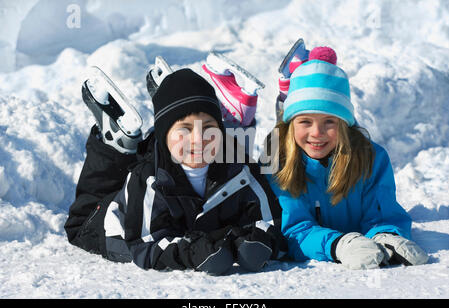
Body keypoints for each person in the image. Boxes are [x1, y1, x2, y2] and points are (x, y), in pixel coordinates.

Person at [64, 68, 286, 275]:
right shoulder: (147, 178)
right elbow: (145, 244)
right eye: (185, 129)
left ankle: (167, 106)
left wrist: (256, 241)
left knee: (177, 149)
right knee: (81, 224)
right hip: (112, 225)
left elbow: (271, 219)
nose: (199, 139)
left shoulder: (241, 168)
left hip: (167, 161)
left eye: (208, 127)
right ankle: (114, 143)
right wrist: (192, 253)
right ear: (165, 135)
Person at [265, 46, 429, 269]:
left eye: (329, 122)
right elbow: (294, 229)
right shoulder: (278, 162)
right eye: (305, 122)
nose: (316, 133)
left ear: (344, 124)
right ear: (291, 124)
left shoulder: (371, 158)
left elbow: (382, 211)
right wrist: (338, 245)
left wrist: (385, 235)